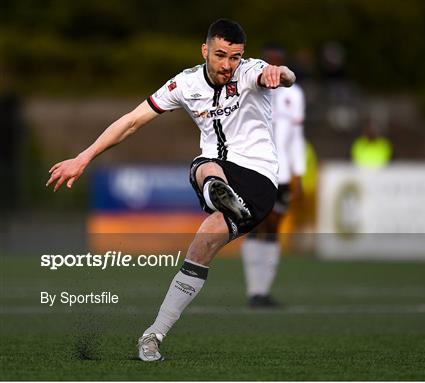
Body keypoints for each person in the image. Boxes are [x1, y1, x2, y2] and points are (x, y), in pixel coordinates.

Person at [45, 19, 296, 362]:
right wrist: (84, 157)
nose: (227, 65)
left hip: (258, 182)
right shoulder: (185, 83)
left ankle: (219, 193)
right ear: (204, 50)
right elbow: (132, 121)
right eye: (220, 55)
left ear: (243, 56)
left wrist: (280, 72)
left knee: (202, 168)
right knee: (200, 243)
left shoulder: (253, 71)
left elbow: (286, 76)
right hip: (217, 171)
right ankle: (153, 336)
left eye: (234, 57)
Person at [240, 44, 306, 308]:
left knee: (274, 227)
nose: (275, 67)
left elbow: (296, 138)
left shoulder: (295, 94)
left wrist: (298, 172)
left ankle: (264, 290)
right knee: (255, 225)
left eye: (279, 62)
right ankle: (253, 289)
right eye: (271, 62)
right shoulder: (250, 88)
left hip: (284, 173)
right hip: (257, 169)